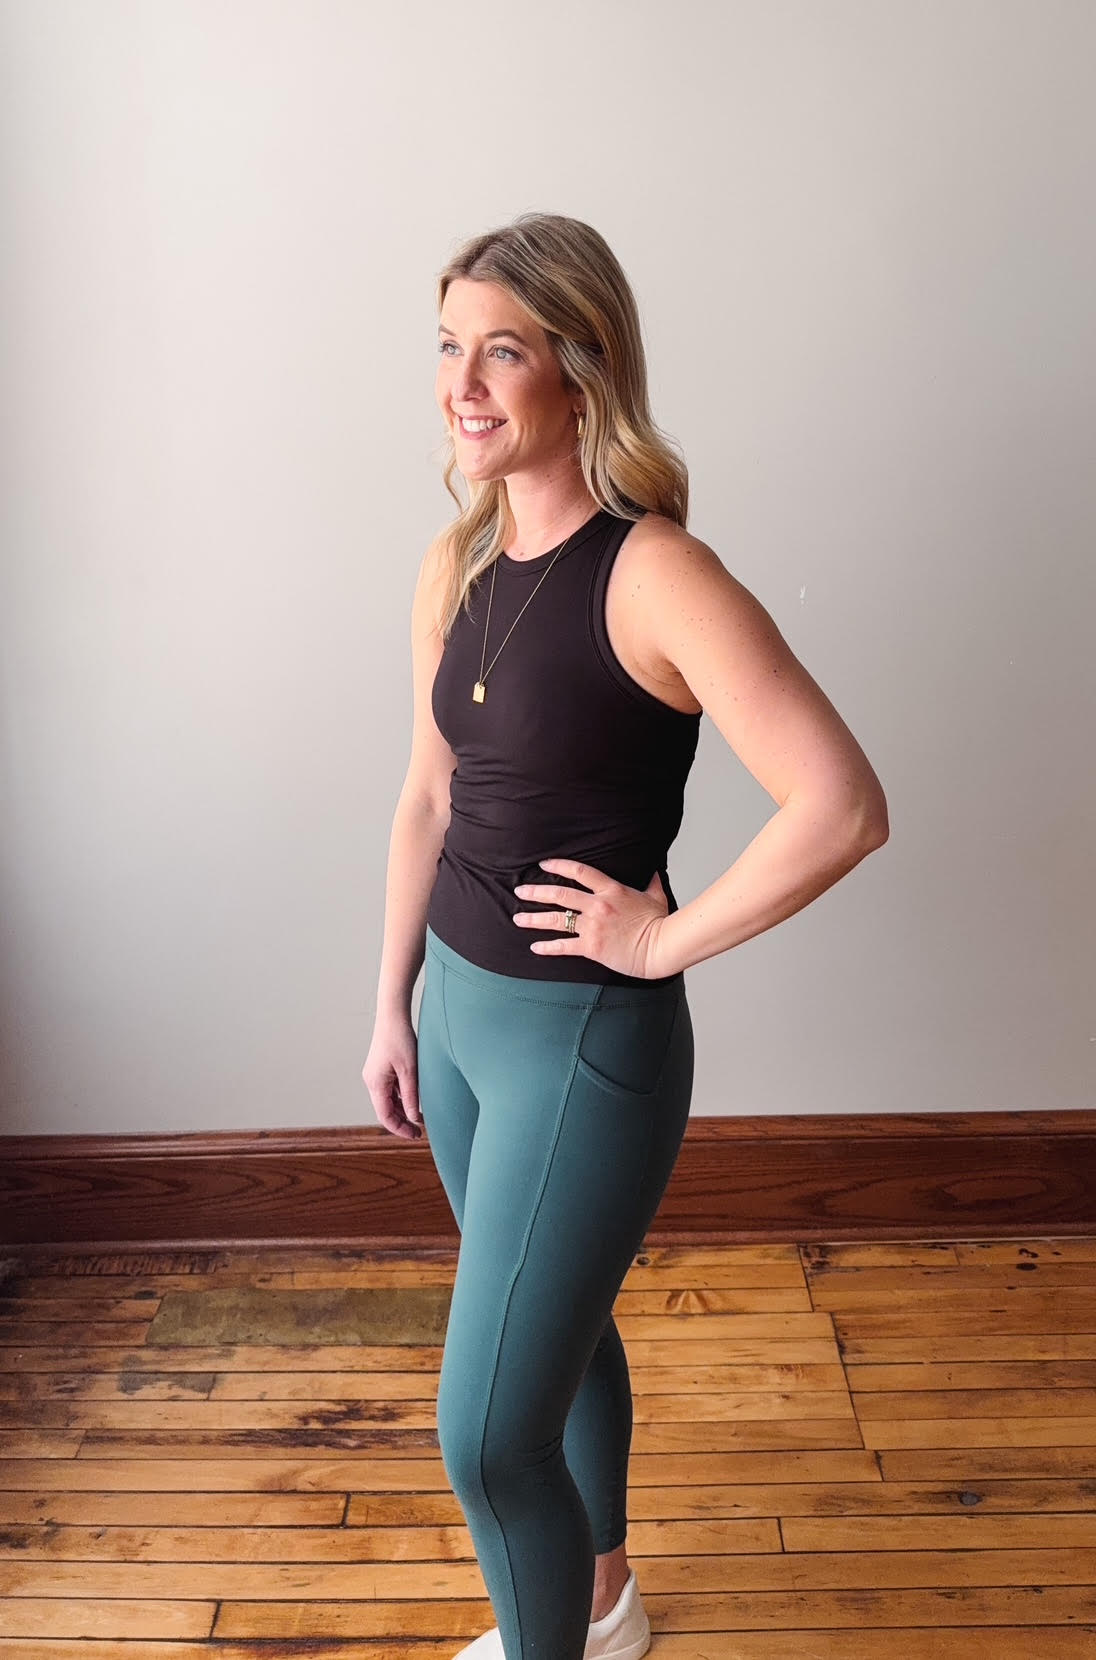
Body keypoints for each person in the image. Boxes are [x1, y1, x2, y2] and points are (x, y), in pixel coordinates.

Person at [363, 212, 889, 1660]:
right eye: (451, 348)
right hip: (463, 1027)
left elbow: (841, 804)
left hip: (579, 1051)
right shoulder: (454, 564)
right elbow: (427, 796)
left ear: (582, 376)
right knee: (562, 1328)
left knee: (483, 1439)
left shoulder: (654, 573)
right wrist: (392, 1005)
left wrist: (666, 943)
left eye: (505, 351)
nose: (465, 383)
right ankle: (603, 1603)